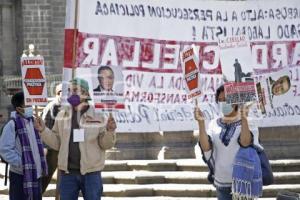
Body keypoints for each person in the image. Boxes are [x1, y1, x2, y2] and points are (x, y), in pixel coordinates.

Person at [34, 78, 116, 200]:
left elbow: (106, 145)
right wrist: (43, 130)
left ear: (85, 93)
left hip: (91, 174)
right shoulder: (62, 114)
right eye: (69, 90)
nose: (71, 93)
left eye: (75, 90)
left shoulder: (98, 115)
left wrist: (110, 131)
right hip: (67, 174)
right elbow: (57, 143)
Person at [194, 85, 262, 200]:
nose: (223, 103)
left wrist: (244, 118)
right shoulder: (214, 124)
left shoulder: (249, 122)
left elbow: (245, 142)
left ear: (235, 102)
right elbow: (206, 148)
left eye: (226, 99)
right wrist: (201, 124)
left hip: (243, 184)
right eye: (220, 100)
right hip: (222, 184)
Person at [0, 92, 48, 200]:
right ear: (18, 108)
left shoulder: (33, 122)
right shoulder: (12, 125)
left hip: (35, 174)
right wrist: (21, 164)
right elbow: (4, 149)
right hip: (20, 176)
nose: (31, 108)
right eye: (28, 105)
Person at [41, 83, 63, 194]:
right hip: (51, 149)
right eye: (61, 92)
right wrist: (45, 147)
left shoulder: (67, 107)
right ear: (57, 93)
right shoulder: (53, 106)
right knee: (46, 176)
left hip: (63, 148)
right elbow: (45, 127)